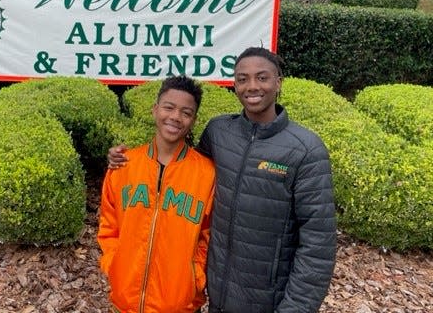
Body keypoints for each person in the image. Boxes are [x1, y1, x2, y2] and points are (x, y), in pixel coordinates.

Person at [108, 47, 337, 313]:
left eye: (262, 78)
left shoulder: (306, 150)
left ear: (278, 82)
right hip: (218, 294)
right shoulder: (219, 132)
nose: (252, 86)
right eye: (242, 78)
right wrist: (125, 160)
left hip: (269, 300)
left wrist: (295, 308)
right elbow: (180, 168)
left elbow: (318, 245)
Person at [97, 75, 215, 313]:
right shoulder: (124, 166)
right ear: (155, 110)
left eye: (186, 112)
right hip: (125, 301)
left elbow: (209, 234)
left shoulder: (206, 173)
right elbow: (109, 226)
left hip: (178, 304)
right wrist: (115, 265)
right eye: (169, 107)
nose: (175, 117)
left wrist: (194, 276)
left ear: (193, 120)